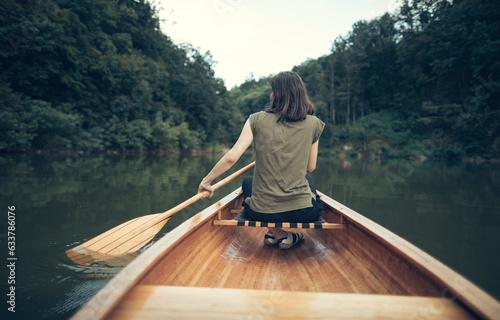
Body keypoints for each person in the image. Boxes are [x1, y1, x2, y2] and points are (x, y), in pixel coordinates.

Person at [198, 71, 325, 250]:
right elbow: (310, 167)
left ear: (277, 94)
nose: (271, 94)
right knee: (309, 180)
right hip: (305, 213)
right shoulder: (314, 123)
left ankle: (276, 233)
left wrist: (207, 181)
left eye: (273, 90)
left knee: (248, 182)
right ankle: (282, 235)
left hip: (260, 212)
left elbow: (231, 158)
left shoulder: (256, 119)